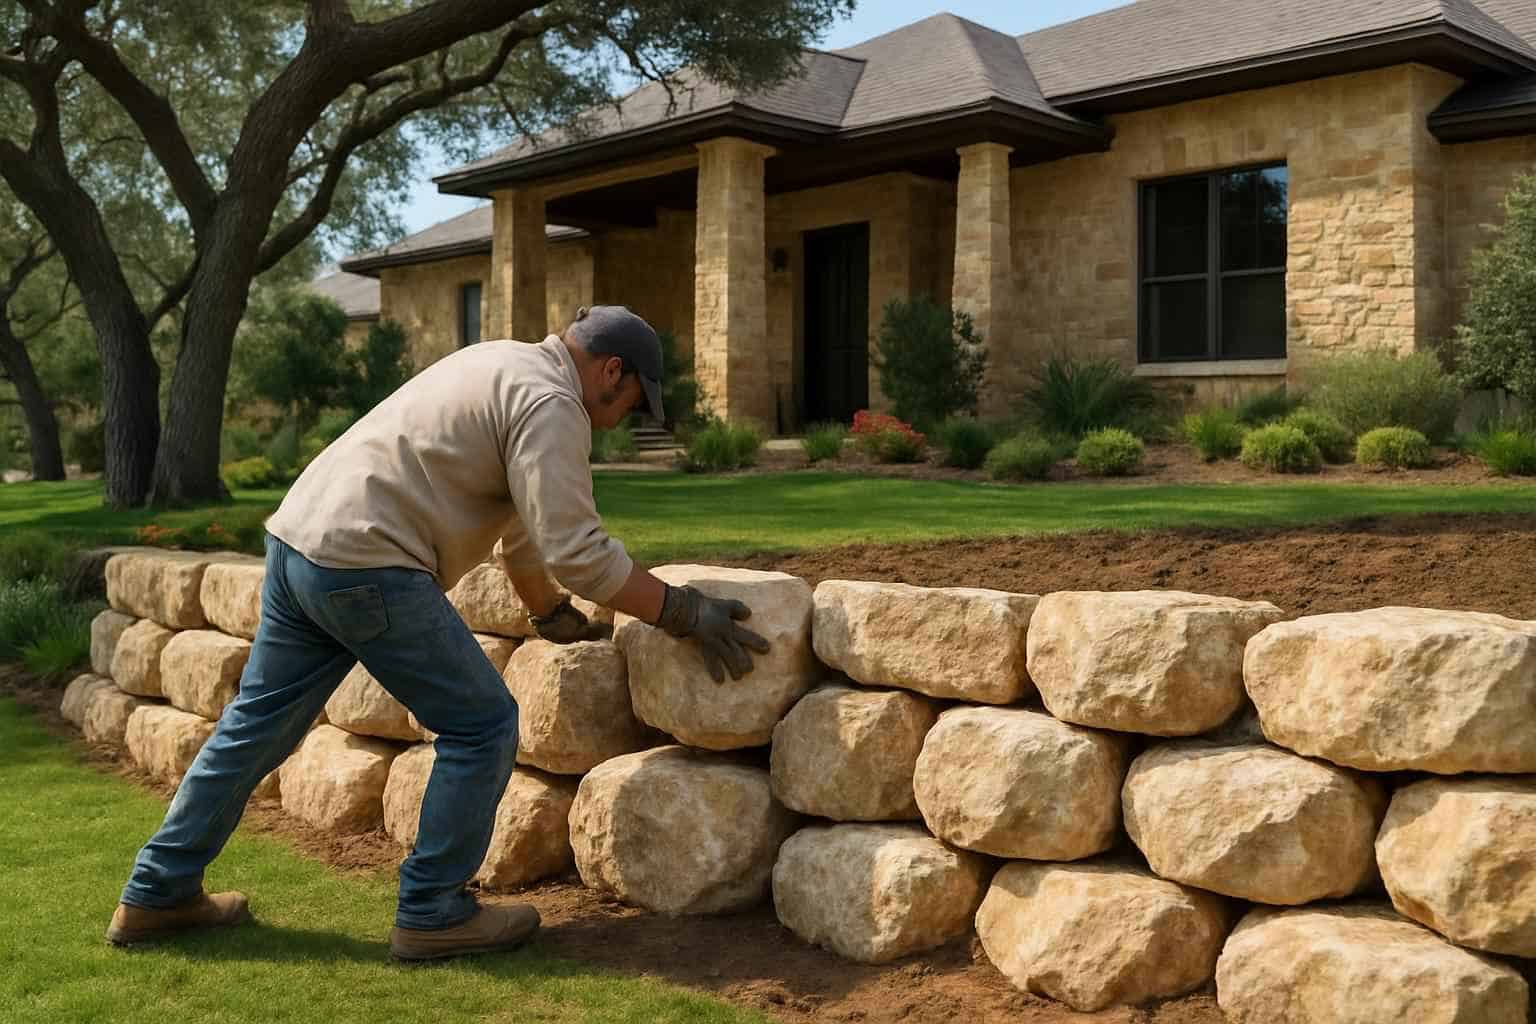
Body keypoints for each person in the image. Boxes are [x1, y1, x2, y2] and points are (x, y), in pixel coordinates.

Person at [105, 306, 770, 961]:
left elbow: (524, 533)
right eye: (630, 400)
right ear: (611, 369)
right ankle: (433, 912)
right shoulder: (552, 404)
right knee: (482, 724)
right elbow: (581, 554)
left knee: (255, 727)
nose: (623, 416)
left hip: (299, 545)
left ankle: (157, 891)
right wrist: (682, 611)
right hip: (369, 564)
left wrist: (548, 615)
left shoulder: (501, 363)